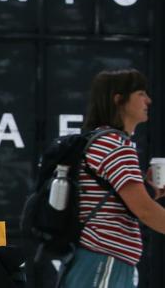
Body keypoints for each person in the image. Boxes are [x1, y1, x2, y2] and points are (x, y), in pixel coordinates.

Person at [60, 69, 165, 288]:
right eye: (140, 93)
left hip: (94, 258)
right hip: (104, 257)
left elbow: (114, 203)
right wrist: (148, 202)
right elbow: (145, 211)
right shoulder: (115, 146)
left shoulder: (101, 140)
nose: (148, 100)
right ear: (119, 99)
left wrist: (149, 192)